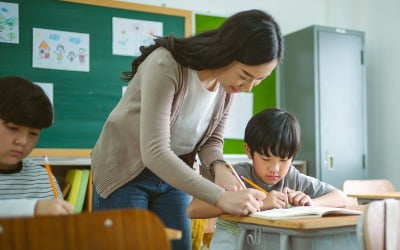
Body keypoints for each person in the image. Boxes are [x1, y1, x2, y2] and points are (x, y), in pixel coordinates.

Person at [91, 9, 283, 250]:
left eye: (258, 80)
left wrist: (218, 167)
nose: (247, 88)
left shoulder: (227, 84)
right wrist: (221, 196)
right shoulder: (166, 64)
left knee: (179, 245)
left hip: (173, 174)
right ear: (227, 51)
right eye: (246, 76)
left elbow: (212, 140)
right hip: (124, 171)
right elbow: (155, 152)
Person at [187, 108, 348, 249]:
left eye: (284, 160)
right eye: (265, 159)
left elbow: (340, 197)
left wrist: (311, 204)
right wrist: (261, 204)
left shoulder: (293, 178)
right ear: (249, 151)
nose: (275, 169)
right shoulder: (235, 176)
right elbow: (193, 208)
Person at [0, 76, 74, 217]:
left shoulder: (42, 178)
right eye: (12, 128)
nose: (22, 141)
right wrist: (32, 208)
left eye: (33, 133)